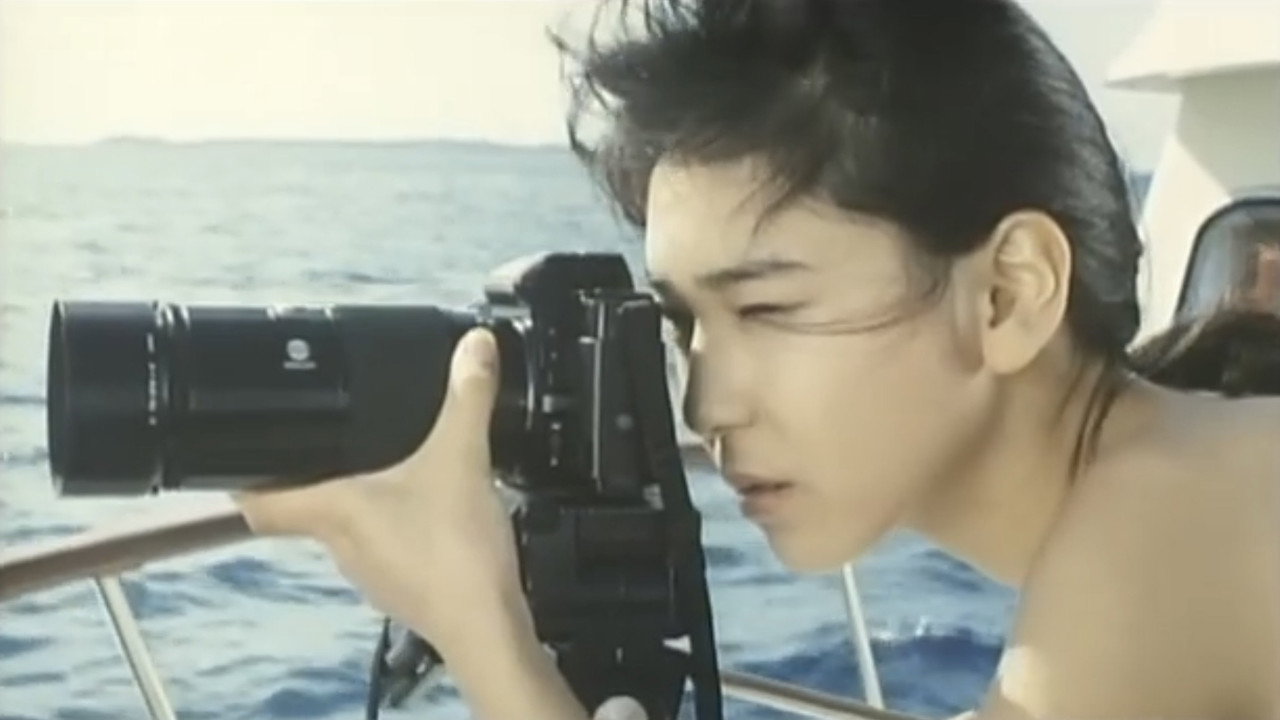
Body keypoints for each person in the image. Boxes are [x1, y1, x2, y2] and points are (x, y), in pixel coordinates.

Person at [235, 1, 1280, 718]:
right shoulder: (1188, 475)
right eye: (684, 325)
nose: (706, 403)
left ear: (1008, 292)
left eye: (768, 309)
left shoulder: (1162, 522)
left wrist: (476, 618)